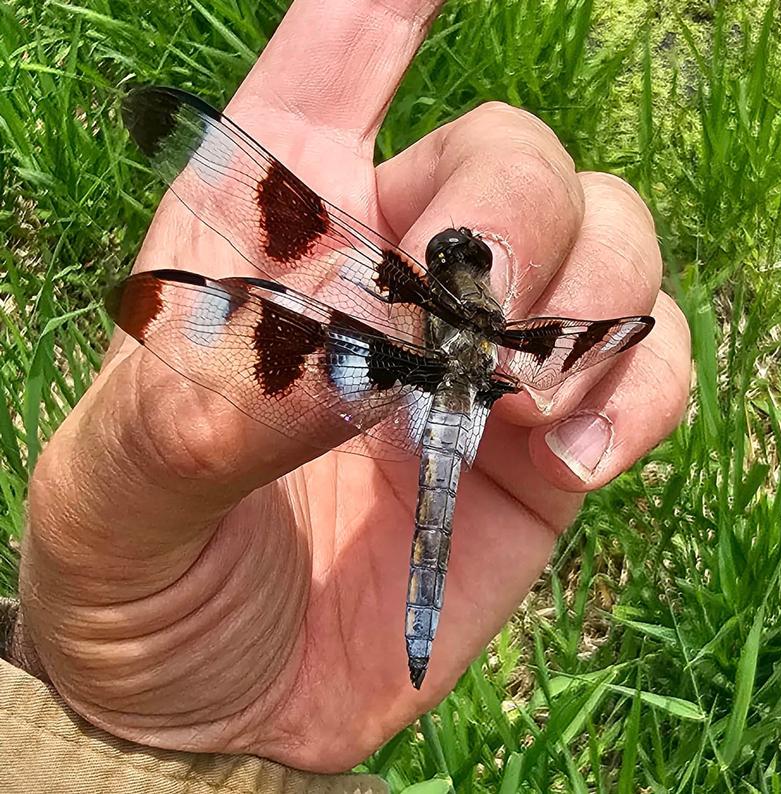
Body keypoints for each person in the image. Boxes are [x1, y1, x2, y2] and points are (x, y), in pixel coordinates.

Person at [0, 0, 691, 790]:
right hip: (205, 647)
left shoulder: (413, 307)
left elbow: (615, 335)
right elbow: (604, 334)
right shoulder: (504, 349)